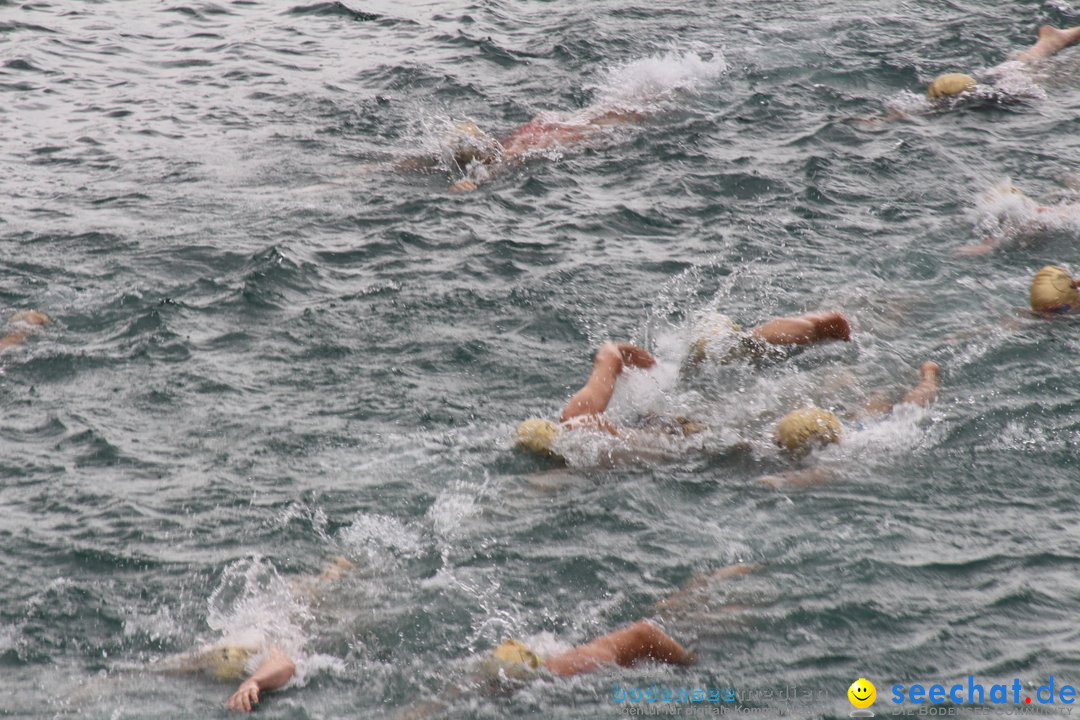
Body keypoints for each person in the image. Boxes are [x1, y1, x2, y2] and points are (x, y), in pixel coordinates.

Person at [513, 312, 852, 459]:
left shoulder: (603, 442)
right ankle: (817, 326)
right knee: (735, 353)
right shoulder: (580, 416)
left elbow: (611, 354)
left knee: (777, 439)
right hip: (688, 420)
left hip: (692, 432)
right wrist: (650, 363)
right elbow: (611, 352)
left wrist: (652, 366)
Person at [764, 361, 941, 488]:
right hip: (858, 429)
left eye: (779, 437)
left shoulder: (831, 464)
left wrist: (771, 481)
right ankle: (895, 388)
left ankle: (930, 377)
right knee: (873, 408)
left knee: (912, 408)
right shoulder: (833, 437)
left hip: (883, 432)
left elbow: (796, 480)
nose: (775, 437)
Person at [926, 25, 1080, 102]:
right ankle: (1050, 41)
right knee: (1024, 62)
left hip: (1015, 84)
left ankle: (1051, 41)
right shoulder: (975, 91)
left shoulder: (986, 100)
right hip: (996, 75)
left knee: (1063, 70)